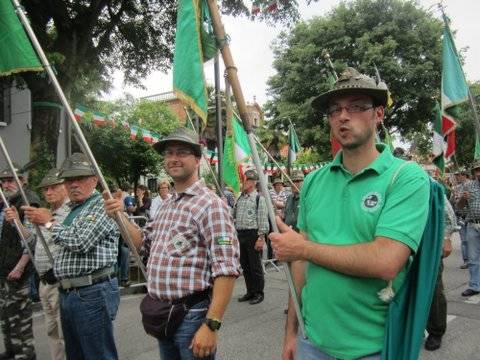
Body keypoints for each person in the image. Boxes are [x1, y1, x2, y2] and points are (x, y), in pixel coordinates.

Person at [269, 67, 430, 360]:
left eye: (356, 107)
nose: (343, 116)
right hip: (311, 343)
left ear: (378, 114)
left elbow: (385, 261)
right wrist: (291, 332)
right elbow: (300, 268)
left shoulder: (406, 177)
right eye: (335, 110)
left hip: (375, 348)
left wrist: (302, 248)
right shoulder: (314, 181)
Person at [104, 127, 241, 360]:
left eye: (182, 152)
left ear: (197, 159)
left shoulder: (211, 205)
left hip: (193, 317)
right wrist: (121, 217)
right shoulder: (167, 205)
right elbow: (142, 244)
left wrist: (211, 326)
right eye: (169, 153)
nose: (173, 158)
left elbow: (226, 269)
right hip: (163, 316)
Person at [27, 153, 121, 359]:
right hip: (69, 291)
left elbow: (80, 241)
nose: (74, 184)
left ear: (94, 180)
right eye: (69, 179)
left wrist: (49, 222)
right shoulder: (72, 209)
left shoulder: (102, 205)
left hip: (92, 290)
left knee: (98, 354)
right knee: (76, 354)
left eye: (80, 178)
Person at [5, 168, 69, 360]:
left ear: (65, 187)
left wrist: (49, 222)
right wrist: (18, 222)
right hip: (44, 282)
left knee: (65, 334)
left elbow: (71, 241)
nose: (48, 192)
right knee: (52, 332)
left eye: (53, 188)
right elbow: (32, 241)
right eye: (45, 189)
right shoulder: (47, 211)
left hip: (59, 281)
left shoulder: (69, 212)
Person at [0, 163, 39, 360]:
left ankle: (25, 354)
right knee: (6, 316)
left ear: (22, 181)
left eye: (10, 180)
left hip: (19, 271)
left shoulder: (28, 201)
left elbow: (32, 239)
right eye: (3, 181)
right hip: (4, 269)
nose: (6, 184)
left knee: (20, 319)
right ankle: (11, 351)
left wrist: (20, 266)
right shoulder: (5, 202)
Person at [424, 193, 457, 351]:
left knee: (434, 289)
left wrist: (446, 238)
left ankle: (436, 331)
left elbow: (446, 212)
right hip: (397, 244)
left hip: (428, 244)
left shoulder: (425, 180)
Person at [234, 169, 269, 305]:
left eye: (246, 180)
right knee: (245, 265)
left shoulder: (259, 198)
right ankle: (250, 291)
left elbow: (262, 220)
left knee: (255, 266)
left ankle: (259, 293)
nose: (243, 182)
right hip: (241, 234)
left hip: (253, 234)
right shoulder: (240, 198)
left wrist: (261, 238)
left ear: (253, 182)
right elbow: (234, 215)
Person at [457, 160, 480, 297]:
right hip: (472, 224)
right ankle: (475, 285)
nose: (479, 173)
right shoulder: (468, 185)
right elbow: (459, 207)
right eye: (477, 170)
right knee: (473, 258)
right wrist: (463, 199)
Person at [451, 170, 469, 268]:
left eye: (459, 175)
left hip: (471, 217)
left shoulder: (472, 186)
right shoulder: (456, 188)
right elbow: (452, 203)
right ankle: (466, 261)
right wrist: (454, 197)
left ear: (465, 175)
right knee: (464, 240)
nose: (458, 177)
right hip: (461, 217)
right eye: (457, 175)